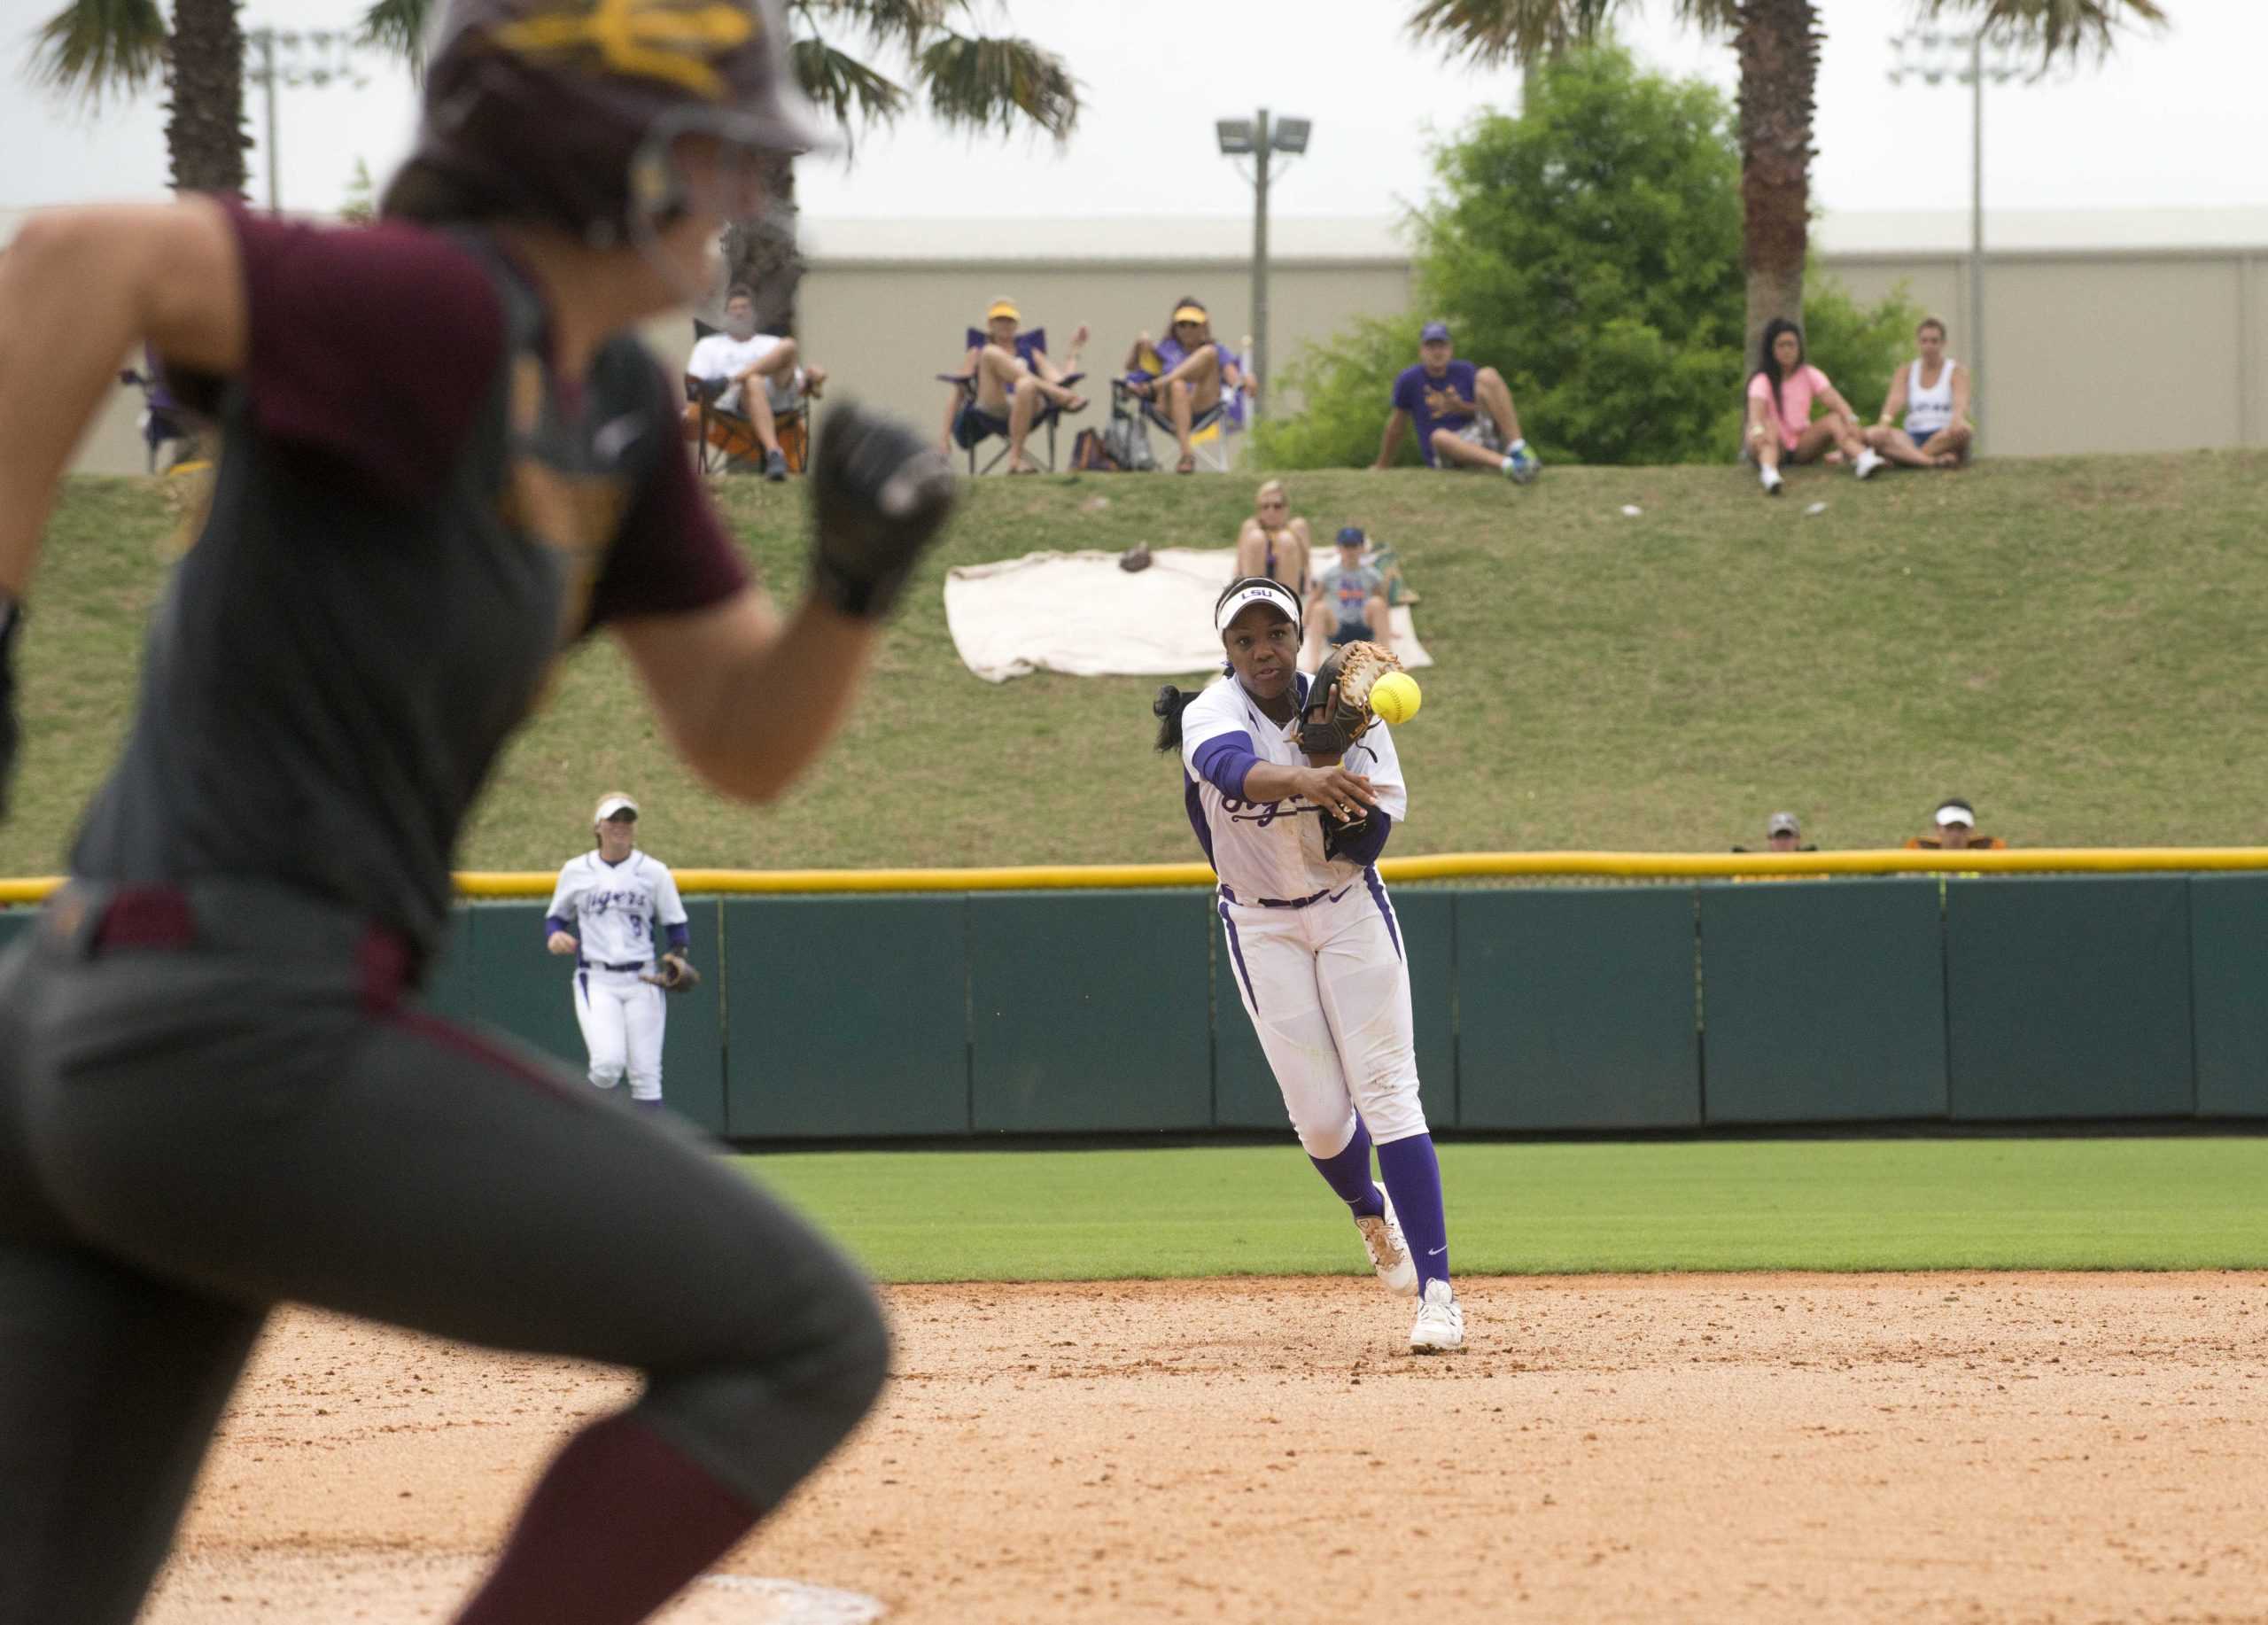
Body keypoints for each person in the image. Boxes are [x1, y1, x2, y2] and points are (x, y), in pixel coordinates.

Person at [0, 4, 959, 1622]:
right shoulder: (441, 307)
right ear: (598, 145)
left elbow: (739, 737)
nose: (741, 191)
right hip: (228, 1031)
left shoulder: (607, 412)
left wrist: (851, 587)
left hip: (108, 1043)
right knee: (807, 1333)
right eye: (716, 147)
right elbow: (77, 258)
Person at [1152, 577, 1463, 1355]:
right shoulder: (1210, 713)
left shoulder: (1355, 712)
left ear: (1299, 638)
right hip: (1261, 925)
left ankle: (1438, 1294)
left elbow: (1372, 836)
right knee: (1323, 1122)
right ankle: (1368, 1209)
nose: (1262, 650)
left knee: (1390, 1092)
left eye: (1275, 633)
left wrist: (1340, 789)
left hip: (1350, 907)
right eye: (1244, 639)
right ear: (1227, 651)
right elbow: (1227, 769)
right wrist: (1306, 774)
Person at [545, 792, 692, 1113]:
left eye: (628, 819)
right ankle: (586, 1129)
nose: (621, 826)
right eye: (614, 819)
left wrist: (678, 956)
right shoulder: (576, 870)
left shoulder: (653, 871)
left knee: (646, 1075)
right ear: (598, 825)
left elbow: (676, 925)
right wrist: (555, 934)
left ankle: (650, 1160)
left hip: (643, 978)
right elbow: (556, 917)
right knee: (608, 1064)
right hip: (597, 979)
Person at [684, 282, 825, 480]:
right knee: (753, 381)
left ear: (754, 315)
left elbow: (801, 385)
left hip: (779, 397)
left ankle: (733, 378)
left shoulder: (771, 343)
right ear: (726, 315)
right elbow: (694, 386)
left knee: (789, 345)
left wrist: (813, 377)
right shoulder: (709, 346)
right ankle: (774, 453)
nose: (740, 313)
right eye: (734, 309)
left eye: (744, 308)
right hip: (733, 405)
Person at [1373, 320, 1541, 483]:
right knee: (1439, 436)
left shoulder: (1465, 370)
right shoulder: (1409, 379)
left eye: (1442, 346)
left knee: (1488, 374)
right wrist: (1382, 465)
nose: (1437, 352)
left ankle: (1518, 449)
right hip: (1445, 452)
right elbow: (1396, 426)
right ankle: (1510, 466)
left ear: (1450, 349)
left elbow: (1484, 410)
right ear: (1421, 351)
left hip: (1478, 436)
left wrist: (1461, 407)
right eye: (1431, 347)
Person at [939, 297, 1087, 475]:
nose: (1005, 324)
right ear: (990, 324)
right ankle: (1051, 392)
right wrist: (944, 438)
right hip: (993, 405)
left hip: (1027, 405)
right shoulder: (978, 351)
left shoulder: (1030, 352)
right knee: (990, 353)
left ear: (1017, 324)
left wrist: (1075, 349)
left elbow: (1061, 380)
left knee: (1025, 385)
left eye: (1010, 320)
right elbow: (958, 391)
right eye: (999, 319)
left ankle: (1015, 461)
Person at [1747, 317, 1882, 494]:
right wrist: (1757, 432)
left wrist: (1851, 419)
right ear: (1771, 349)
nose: (1787, 350)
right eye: (1781, 345)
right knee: (1767, 425)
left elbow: (1836, 401)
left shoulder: (1810, 374)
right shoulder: (1762, 380)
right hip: (1772, 443)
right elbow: (1755, 416)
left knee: (1835, 419)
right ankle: (1770, 473)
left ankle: (1863, 458)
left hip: (1801, 445)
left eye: (1791, 345)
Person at [1124, 297, 1241, 474]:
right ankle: (1187, 455)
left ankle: (1160, 384)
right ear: (1174, 326)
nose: (1187, 329)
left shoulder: (1217, 348)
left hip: (1202, 405)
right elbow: (1131, 369)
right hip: (1168, 407)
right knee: (1177, 385)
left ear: (1204, 326)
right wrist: (1138, 347)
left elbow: (1236, 380)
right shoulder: (1164, 349)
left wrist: (1248, 380)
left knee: (1209, 353)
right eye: (1182, 324)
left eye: (1193, 324)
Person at [1864, 315, 1976, 470]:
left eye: (1934, 341)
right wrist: (1884, 425)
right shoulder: (1906, 371)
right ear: (1918, 343)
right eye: (1924, 341)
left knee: (1965, 431)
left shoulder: (1956, 371)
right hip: (1912, 435)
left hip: (1942, 435)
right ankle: (1930, 461)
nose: (1929, 346)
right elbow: (1894, 401)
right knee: (1871, 434)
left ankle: (1906, 458)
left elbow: (1961, 401)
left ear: (1943, 343)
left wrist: (1957, 420)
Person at [1305, 525, 1390, 667]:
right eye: (1346, 546)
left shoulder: (1372, 575)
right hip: (1337, 629)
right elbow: (1314, 599)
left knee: (1377, 602)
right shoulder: (1329, 575)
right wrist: (1304, 624)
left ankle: (1388, 657)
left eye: (1354, 546)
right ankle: (1313, 663)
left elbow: (1383, 603)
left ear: (1362, 548)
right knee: (1319, 608)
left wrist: (1388, 627)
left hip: (1363, 628)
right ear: (1339, 548)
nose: (1350, 551)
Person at [1234, 478, 1311, 602]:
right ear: (1258, 510)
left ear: (1286, 508)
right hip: (1257, 585)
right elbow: (1238, 568)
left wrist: (1309, 591)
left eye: (1277, 506)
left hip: (1292, 587)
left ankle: (1289, 608)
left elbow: (1307, 565)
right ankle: (1255, 604)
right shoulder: (1251, 528)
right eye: (1265, 506)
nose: (1271, 511)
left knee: (1286, 540)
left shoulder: (1296, 528)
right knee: (1256, 538)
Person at [1903, 796, 2008, 852]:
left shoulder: (1990, 859)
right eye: (1949, 827)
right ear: (1937, 828)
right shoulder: (1918, 858)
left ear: (1971, 830)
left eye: (1962, 828)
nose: (1955, 834)